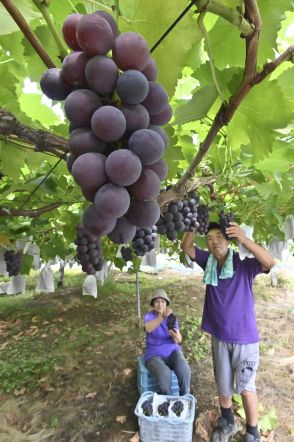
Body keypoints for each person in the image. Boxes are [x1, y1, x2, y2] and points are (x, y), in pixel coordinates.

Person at [181, 222, 275, 442]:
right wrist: (195, 224)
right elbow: (186, 246)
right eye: (210, 238)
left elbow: (270, 261)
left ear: (229, 238)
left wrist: (244, 239)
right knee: (223, 387)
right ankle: (228, 423)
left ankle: (253, 432)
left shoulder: (243, 265)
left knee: (245, 389)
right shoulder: (209, 262)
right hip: (219, 337)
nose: (215, 241)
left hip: (245, 340)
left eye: (219, 236)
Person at [143, 288, 191, 396]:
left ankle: (184, 397)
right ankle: (167, 400)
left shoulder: (171, 318)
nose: (160, 304)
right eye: (157, 301)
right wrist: (161, 317)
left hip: (172, 351)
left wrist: (176, 336)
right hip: (153, 354)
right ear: (152, 304)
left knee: (184, 369)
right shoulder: (149, 316)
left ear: (166, 304)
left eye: (163, 302)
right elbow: (148, 329)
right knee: (165, 374)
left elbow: (178, 339)